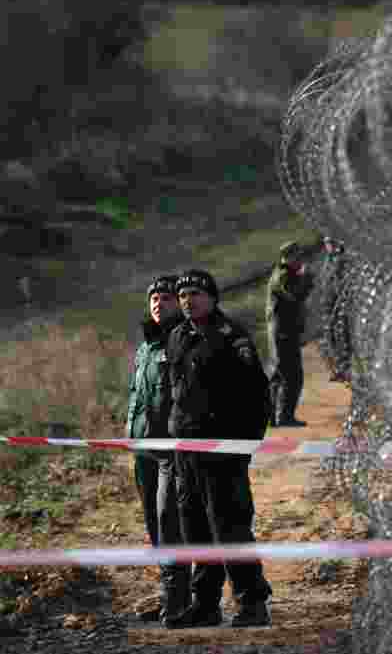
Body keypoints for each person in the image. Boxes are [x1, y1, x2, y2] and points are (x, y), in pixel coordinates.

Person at [164, 269, 273, 629]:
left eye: (195, 293)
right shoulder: (177, 336)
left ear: (212, 297)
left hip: (222, 452)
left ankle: (252, 602)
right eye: (182, 295)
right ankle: (205, 604)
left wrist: (244, 444)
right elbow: (176, 393)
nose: (187, 300)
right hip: (186, 452)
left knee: (230, 526)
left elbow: (258, 395)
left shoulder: (230, 337)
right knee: (194, 527)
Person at [125, 275, 190, 624]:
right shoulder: (145, 346)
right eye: (153, 298)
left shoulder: (183, 341)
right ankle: (170, 597)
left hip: (173, 452)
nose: (157, 303)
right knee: (154, 524)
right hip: (143, 449)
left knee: (171, 524)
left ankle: (180, 602)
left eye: (165, 298)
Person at [266, 241, 314, 427]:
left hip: (285, 331)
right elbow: (294, 296)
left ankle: (273, 417)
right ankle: (284, 417)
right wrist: (307, 279)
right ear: (288, 257)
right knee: (291, 376)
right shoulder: (283, 276)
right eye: (297, 256)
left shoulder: (288, 274)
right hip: (282, 332)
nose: (300, 260)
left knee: (281, 375)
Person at [316, 236, 350, 383]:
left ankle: (346, 367)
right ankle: (339, 368)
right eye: (326, 244)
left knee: (341, 335)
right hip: (328, 304)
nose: (327, 246)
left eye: (330, 243)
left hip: (338, 304)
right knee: (331, 337)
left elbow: (340, 283)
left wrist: (340, 301)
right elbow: (325, 282)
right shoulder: (328, 260)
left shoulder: (340, 260)